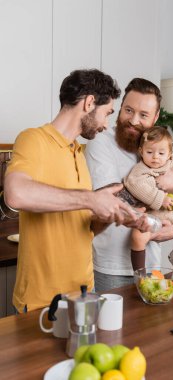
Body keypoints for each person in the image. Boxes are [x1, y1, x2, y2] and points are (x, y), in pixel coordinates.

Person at [4, 69, 149, 313]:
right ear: (89, 102)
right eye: (106, 113)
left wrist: (111, 215)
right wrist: (91, 199)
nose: (106, 124)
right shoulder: (33, 139)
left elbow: (84, 227)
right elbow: (16, 194)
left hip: (84, 293)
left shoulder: (79, 153)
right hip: (43, 300)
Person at [85, 78, 173, 292]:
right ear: (120, 107)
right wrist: (165, 187)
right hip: (111, 268)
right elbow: (113, 203)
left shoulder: (162, 147)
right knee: (112, 326)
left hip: (152, 263)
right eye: (128, 110)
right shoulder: (101, 142)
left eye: (144, 115)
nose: (133, 120)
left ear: (156, 117)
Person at [123, 126, 173, 272]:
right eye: (149, 152)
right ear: (141, 151)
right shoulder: (140, 170)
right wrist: (161, 198)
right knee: (138, 237)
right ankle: (140, 274)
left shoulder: (171, 163)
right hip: (152, 213)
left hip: (172, 210)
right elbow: (135, 185)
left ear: (169, 154)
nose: (155, 157)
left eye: (161, 153)